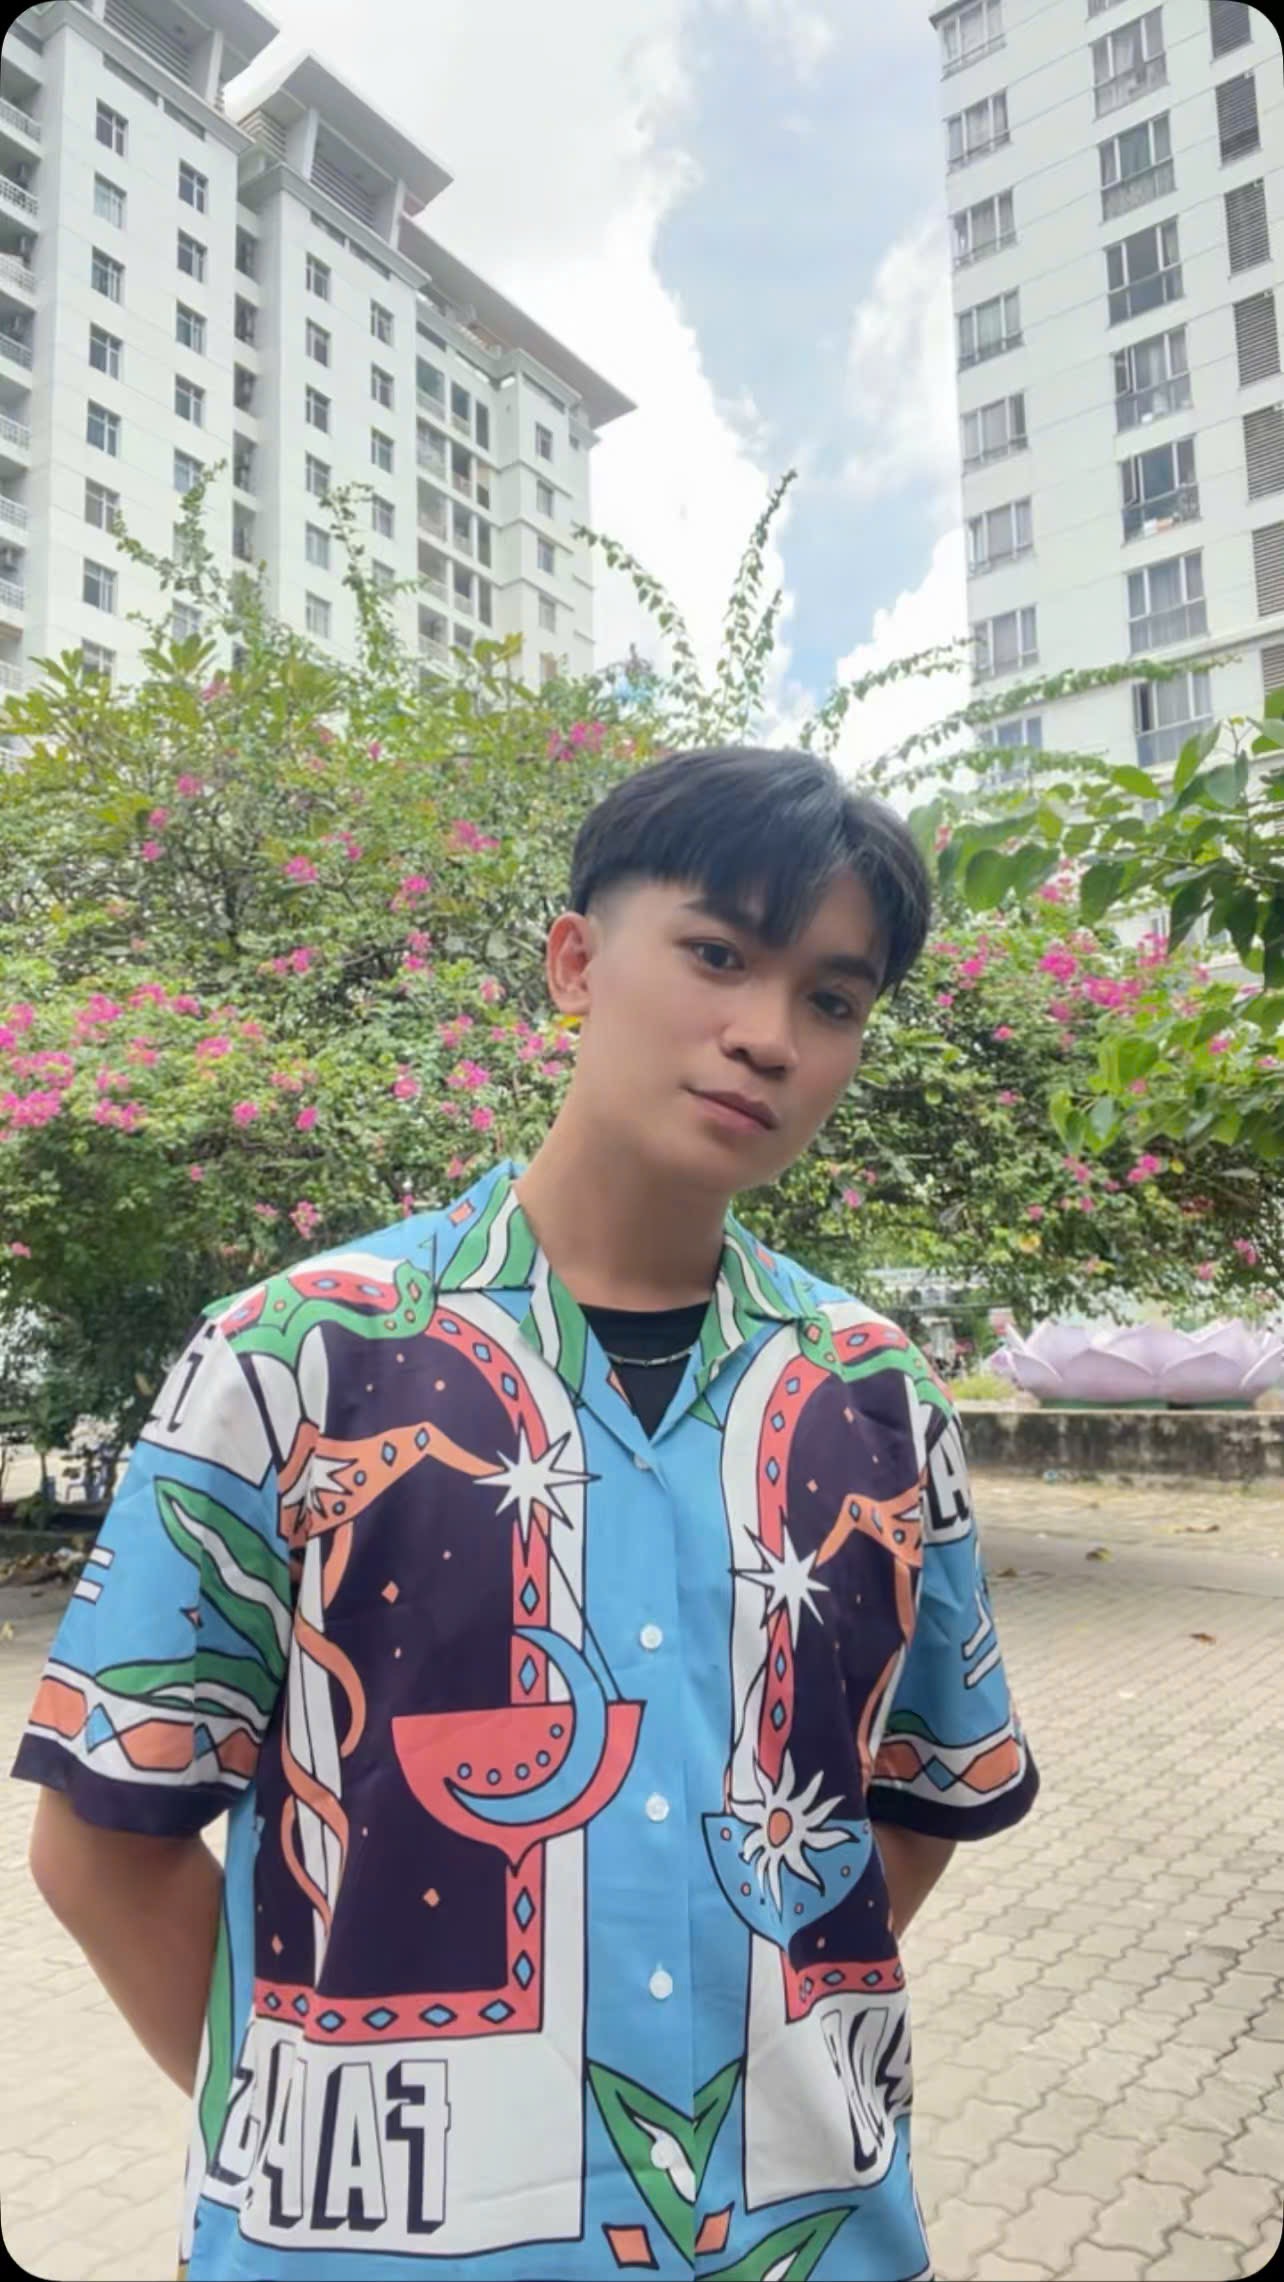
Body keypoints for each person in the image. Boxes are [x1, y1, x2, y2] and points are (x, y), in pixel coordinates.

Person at [14, 745, 1039, 2282]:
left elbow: (907, 1802)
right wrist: (309, 2143)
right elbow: (102, 1847)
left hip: (804, 2241)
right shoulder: (297, 1359)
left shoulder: (878, 1396)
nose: (767, 1035)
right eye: (718, 954)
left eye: (831, 998)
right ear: (573, 962)